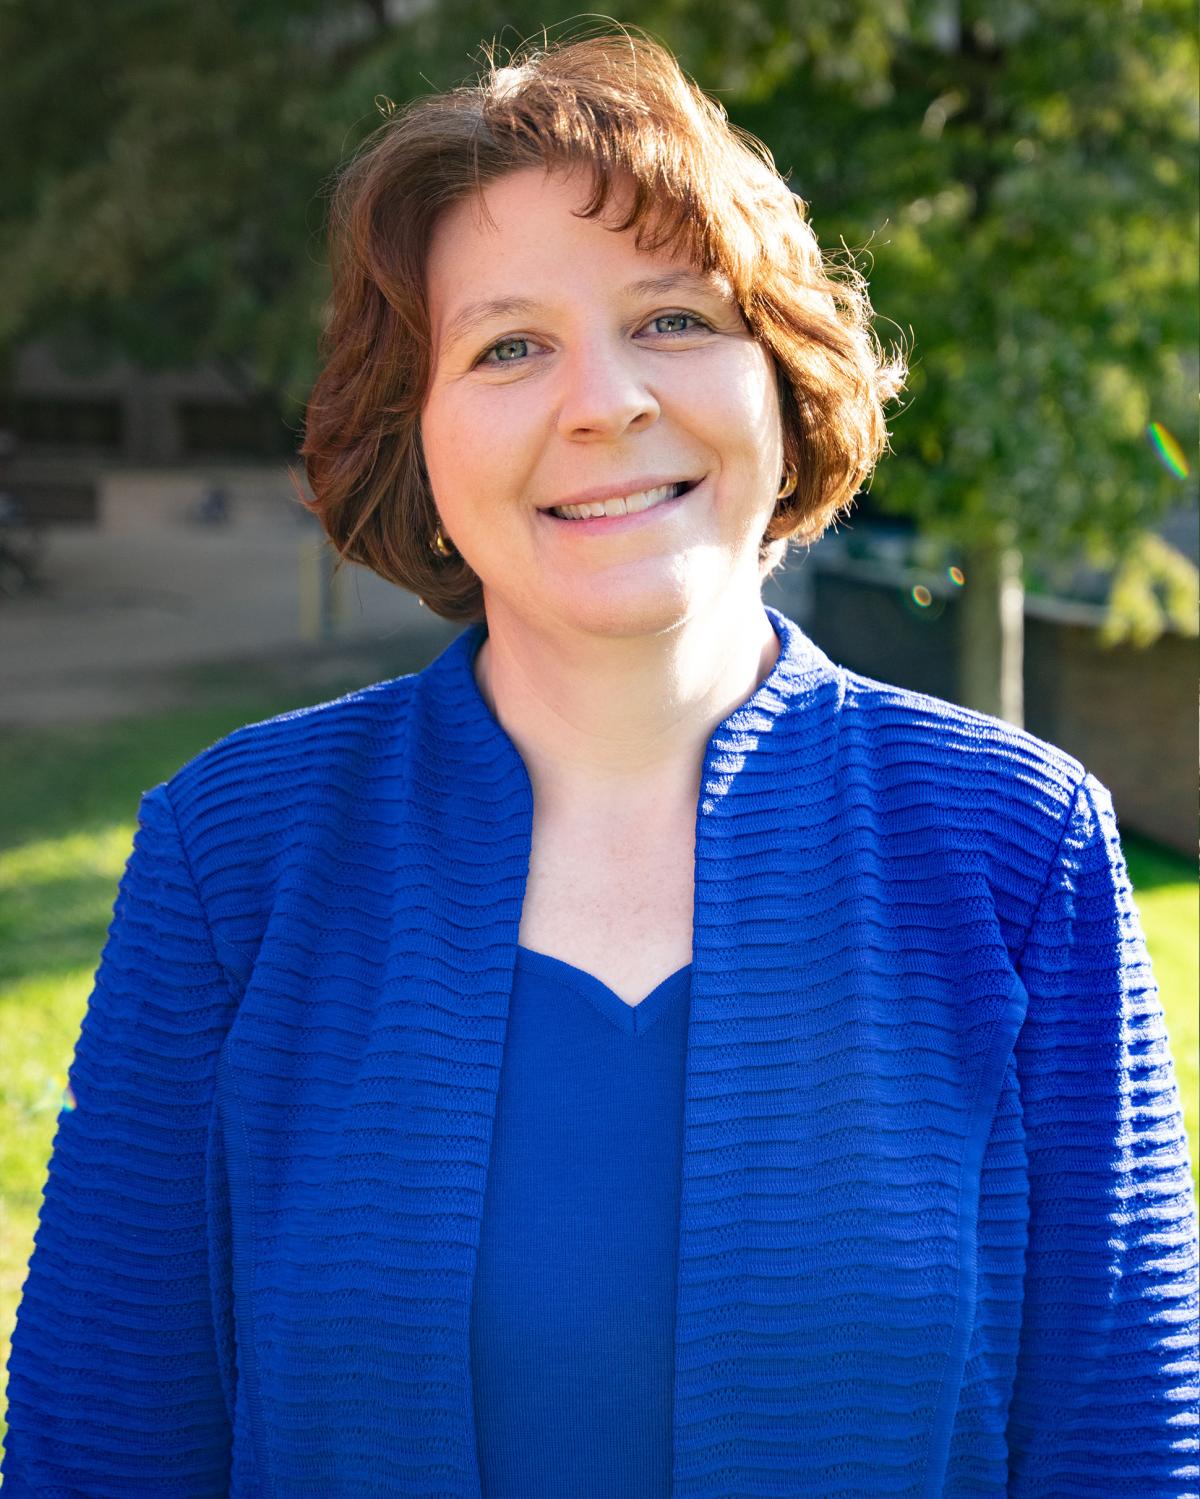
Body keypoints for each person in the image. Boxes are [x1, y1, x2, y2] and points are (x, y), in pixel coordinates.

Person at [3, 28, 1197, 1499]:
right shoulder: (232, 858)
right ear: (414, 435)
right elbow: (98, 1453)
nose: (604, 402)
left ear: (782, 378)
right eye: (509, 345)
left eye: (676, 320)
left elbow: (1126, 1455)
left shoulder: (1021, 849)